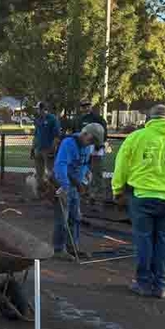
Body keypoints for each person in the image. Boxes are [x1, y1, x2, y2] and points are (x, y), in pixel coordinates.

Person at [112, 104, 165, 298]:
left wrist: (117, 190)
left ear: (149, 119)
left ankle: (143, 283)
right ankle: (161, 285)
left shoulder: (137, 137)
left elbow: (122, 165)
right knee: (163, 241)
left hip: (143, 197)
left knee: (144, 239)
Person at [52, 123, 104, 261]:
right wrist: (64, 186)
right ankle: (59, 249)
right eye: (91, 140)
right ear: (85, 133)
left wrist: (87, 173)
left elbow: (84, 163)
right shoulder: (68, 143)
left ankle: (72, 247)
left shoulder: (88, 146)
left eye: (94, 142)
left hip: (75, 186)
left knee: (75, 218)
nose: (91, 144)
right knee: (62, 219)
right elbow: (61, 165)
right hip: (64, 185)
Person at [76, 100, 109, 204]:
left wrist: (100, 144)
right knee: (83, 171)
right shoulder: (79, 119)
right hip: (84, 149)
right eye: (83, 106)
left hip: (96, 149)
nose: (85, 108)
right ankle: (86, 194)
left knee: (97, 172)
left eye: (87, 105)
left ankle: (98, 196)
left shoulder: (97, 118)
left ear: (91, 106)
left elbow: (104, 133)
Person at [31, 102, 61, 192]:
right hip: (38, 149)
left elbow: (56, 136)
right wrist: (33, 148)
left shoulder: (53, 119)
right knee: (39, 173)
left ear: (43, 109)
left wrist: (52, 149)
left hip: (48, 149)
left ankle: (57, 191)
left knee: (51, 172)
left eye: (38, 109)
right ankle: (42, 191)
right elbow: (36, 135)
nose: (37, 110)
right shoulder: (37, 119)